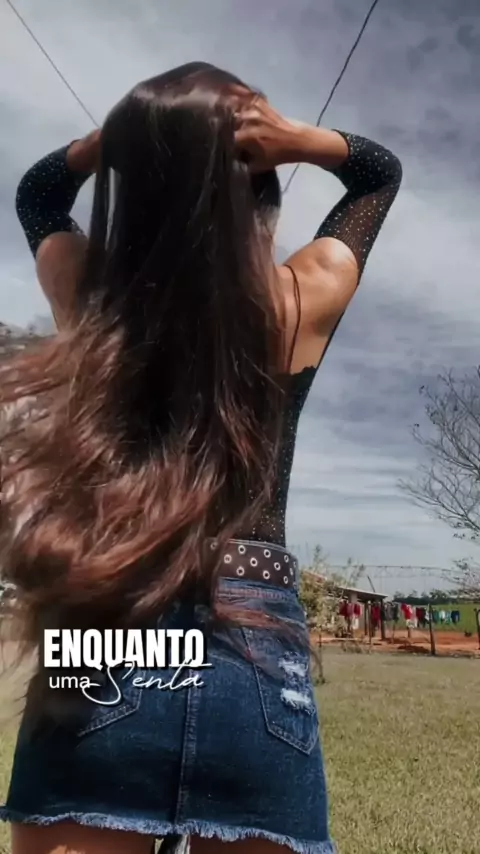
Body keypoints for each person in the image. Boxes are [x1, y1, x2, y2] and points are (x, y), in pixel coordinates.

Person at [0, 62, 402, 854]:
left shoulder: (94, 298)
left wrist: (121, 140)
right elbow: (376, 176)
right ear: (263, 189)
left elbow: (38, 195)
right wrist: (296, 139)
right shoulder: (298, 299)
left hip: (109, 613)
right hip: (252, 625)